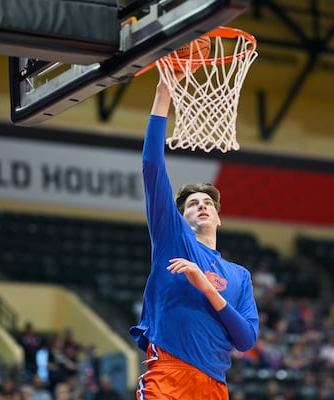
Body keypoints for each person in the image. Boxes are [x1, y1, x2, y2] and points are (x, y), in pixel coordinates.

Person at [128, 73, 259, 400]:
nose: (201, 206)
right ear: (181, 218)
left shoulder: (239, 276)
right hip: (169, 376)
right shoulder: (173, 239)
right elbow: (152, 165)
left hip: (214, 386)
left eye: (207, 204)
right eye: (192, 204)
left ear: (217, 217)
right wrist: (163, 93)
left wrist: (205, 286)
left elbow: (245, 340)